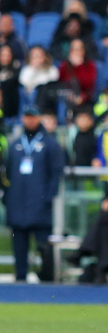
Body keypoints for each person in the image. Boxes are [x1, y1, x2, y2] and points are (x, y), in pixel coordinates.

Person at [4, 104, 65, 282]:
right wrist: (8, 197)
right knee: (19, 246)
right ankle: (20, 278)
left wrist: (48, 196)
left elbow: (56, 173)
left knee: (44, 246)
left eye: (33, 116)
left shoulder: (50, 144)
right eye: (27, 116)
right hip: (17, 203)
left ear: (39, 118)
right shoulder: (15, 144)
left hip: (39, 204)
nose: (30, 120)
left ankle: (47, 279)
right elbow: (7, 173)